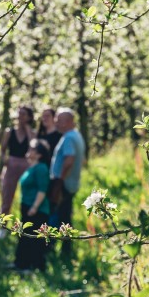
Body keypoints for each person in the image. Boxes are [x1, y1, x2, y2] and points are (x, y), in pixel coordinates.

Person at [50, 108, 85, 254]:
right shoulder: (75, 135)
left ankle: (57, 248)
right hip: (71, 183)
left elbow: (69, 160)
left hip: (63, 184)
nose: (56, 123)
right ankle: (65, 249)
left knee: (60, 216)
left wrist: (59, 182)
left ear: (70, 121)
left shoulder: (69, 137)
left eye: (60, 120)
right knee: (65, 216)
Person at [0, 106, 36, 239]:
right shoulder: (10, 131)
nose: (20, 117)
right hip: (11, 165)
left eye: (23, 114)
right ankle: (3, 227)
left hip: (26, 165)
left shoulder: (31, 133)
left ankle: (23, 227)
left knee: (26, 197)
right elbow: (2, 150)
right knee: (7, 196)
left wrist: (28, 131)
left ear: (29, 117)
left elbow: (33, 147)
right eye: (19, 114)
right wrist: (4, 160)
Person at [12, 139, 51, 272]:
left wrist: (34, 207)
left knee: (34, 238)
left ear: (39, 154)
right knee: (24, 235)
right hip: (27, 206)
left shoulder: (41, 168)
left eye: (32, 150)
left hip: (37, 210)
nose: (28, 151)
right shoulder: (32, 167)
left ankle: (33, 266)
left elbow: (42, 190)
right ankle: (20, 263)